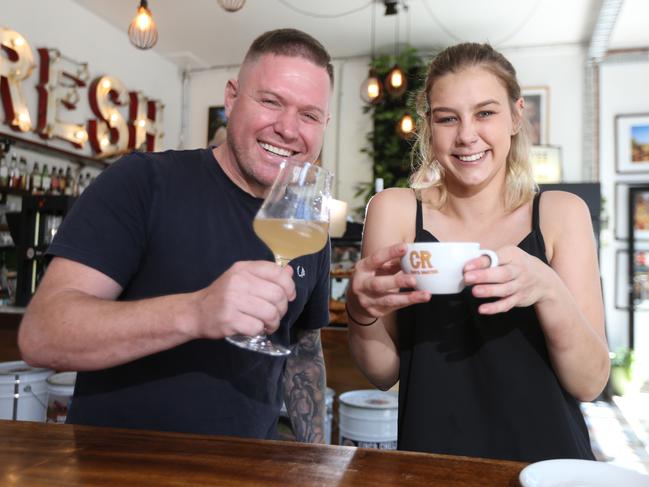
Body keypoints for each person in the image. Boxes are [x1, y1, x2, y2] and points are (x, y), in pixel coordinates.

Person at [18, 28, 333, 443]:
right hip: (118, 470)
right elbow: (42, 335)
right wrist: (196, 311)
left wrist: (317, 460)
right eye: (271, 101)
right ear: (232, 97)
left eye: (309, 115)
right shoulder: (143, 181)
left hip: (250, 469)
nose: (288, 129)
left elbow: (303, 351)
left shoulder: (307, 224)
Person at [345, 42, 609, 463]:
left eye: (485, 113)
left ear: (516, 116)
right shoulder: (394, 212)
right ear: (430, 125)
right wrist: (360, 311)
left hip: (548, 467)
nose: (467, 135)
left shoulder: (561, 215)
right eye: (448, 118)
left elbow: (590, 383)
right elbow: (382, 373)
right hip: (430, 465)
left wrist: (548, 289)